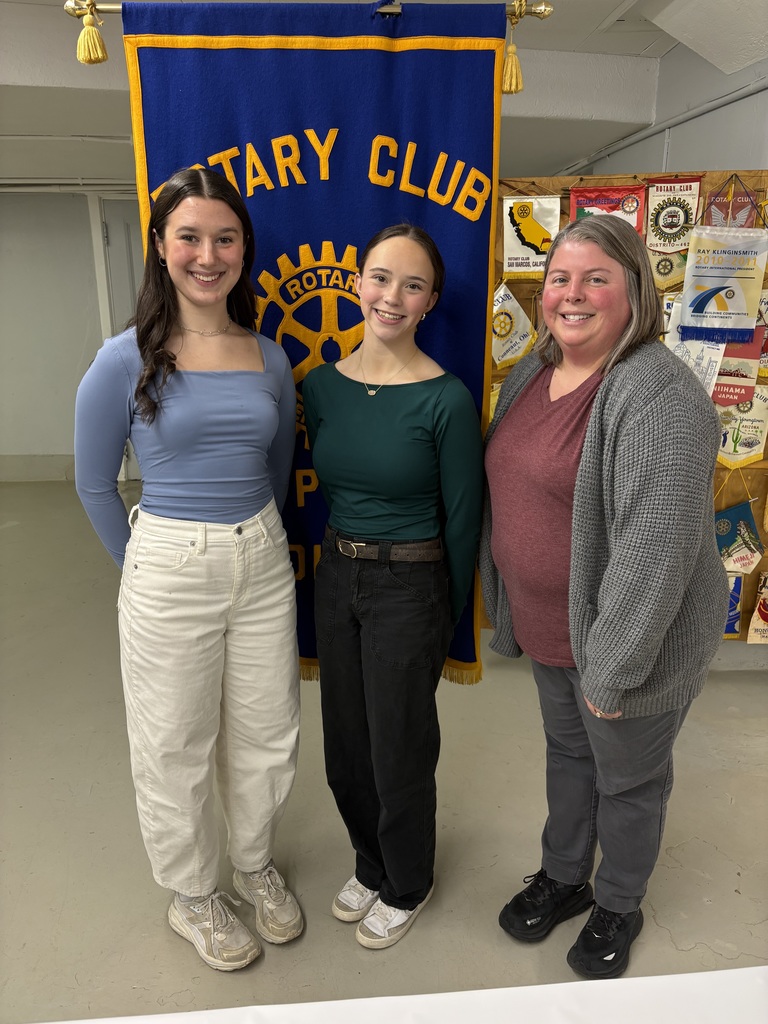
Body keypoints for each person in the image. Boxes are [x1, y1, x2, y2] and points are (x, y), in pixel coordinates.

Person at [480, 215, 728, 980]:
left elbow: (655, 553)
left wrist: (615, 668)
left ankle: (619, 898)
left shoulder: (658, 394)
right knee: (567, 755)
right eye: (560, 277)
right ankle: (565, 874)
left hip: (632, 643)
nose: (572, 293)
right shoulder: (535, 369)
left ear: (635, 294)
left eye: (597, 279)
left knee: (628, 779)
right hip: (557, 630)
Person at [75, 168, 303, 972]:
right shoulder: (121, 358)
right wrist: (143, 569)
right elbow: (94, 482)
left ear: (244, 248)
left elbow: (276, 468)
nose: (209, 255)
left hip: (263, 555)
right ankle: (192, 893)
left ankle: (252, 865)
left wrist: (255, 542)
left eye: (225, 238)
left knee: (267, 731)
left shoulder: (270, 358)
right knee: (174, 739)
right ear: (162, 248)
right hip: (169, 559)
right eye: (190, 237)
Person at [302, 224, 483, 949]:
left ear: (431, 300)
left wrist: (449, 619)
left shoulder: (446, 399)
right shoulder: (320, 386)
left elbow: (464, 519)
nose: (392, 296)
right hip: (336, 574)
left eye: (412, 284)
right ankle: (369, 862)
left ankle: (407, 881)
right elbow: (324, 489)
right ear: (356, 285)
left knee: (398, 745)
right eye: (381, 278)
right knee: (345, 743)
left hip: (412, 584)